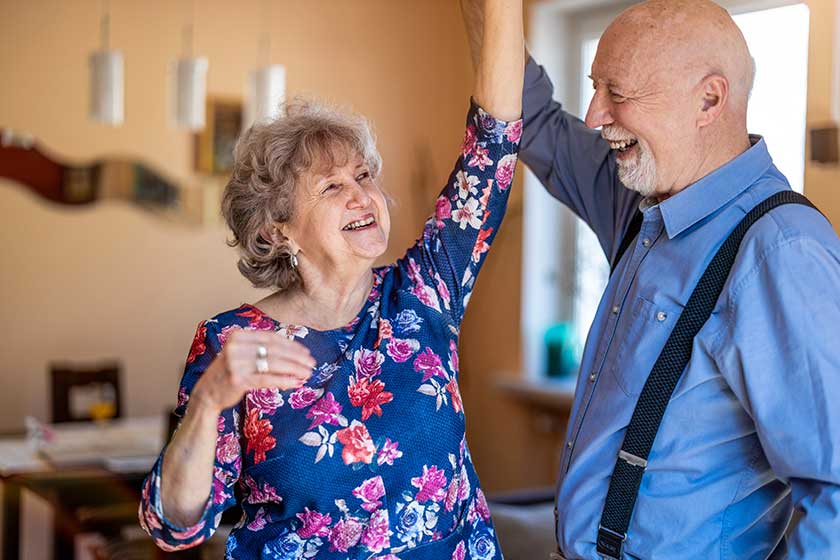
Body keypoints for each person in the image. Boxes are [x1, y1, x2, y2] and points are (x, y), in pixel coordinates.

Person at [138, 2, 524, 559]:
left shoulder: (424, 292)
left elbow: (493, 147)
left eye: (363, 176)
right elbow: (174, 523)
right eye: (330, 187)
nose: (362, 195)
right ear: (278, 231)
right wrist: (206, 404)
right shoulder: (231, 343)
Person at [461, 0, 840, 558]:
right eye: (594, 87)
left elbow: (834, 491)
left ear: (709, 99)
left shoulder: (781, 252)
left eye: (618, 92)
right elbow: (533, 119)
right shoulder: (639, 197)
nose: (594, 114)